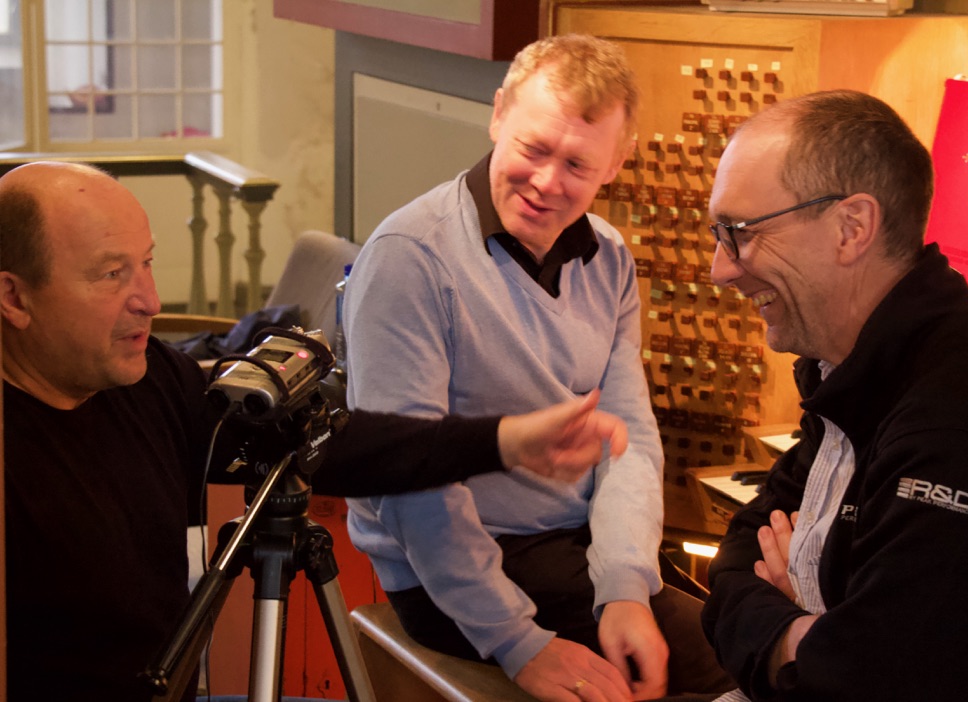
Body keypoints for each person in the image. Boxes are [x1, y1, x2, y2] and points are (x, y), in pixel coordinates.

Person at [0, 160, 630, 701]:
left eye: (146, 264)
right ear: (15, 298)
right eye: (112, 275)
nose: (150, 300)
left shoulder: (146, 379)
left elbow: (325, 447)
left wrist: (505, 442)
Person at [342, 34, 733, 702]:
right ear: (498, 116)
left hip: (572, 548)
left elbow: (628, 437)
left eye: (578, 163)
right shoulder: (410, 257)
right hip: (454, 565)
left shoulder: (609, 257)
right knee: (730, 670)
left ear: (618, 162)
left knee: (742, 655)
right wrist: (521, 642)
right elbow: (407, 483)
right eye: (533, 148)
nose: (548, 182)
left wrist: (626, 588)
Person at [700, 89, 968, 701]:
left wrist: (810, 637)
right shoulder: (849, 369)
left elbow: (865, 680)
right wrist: (802, 634)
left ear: (852, 228)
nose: (721, 267)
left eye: (740, 232)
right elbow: (734, 565)